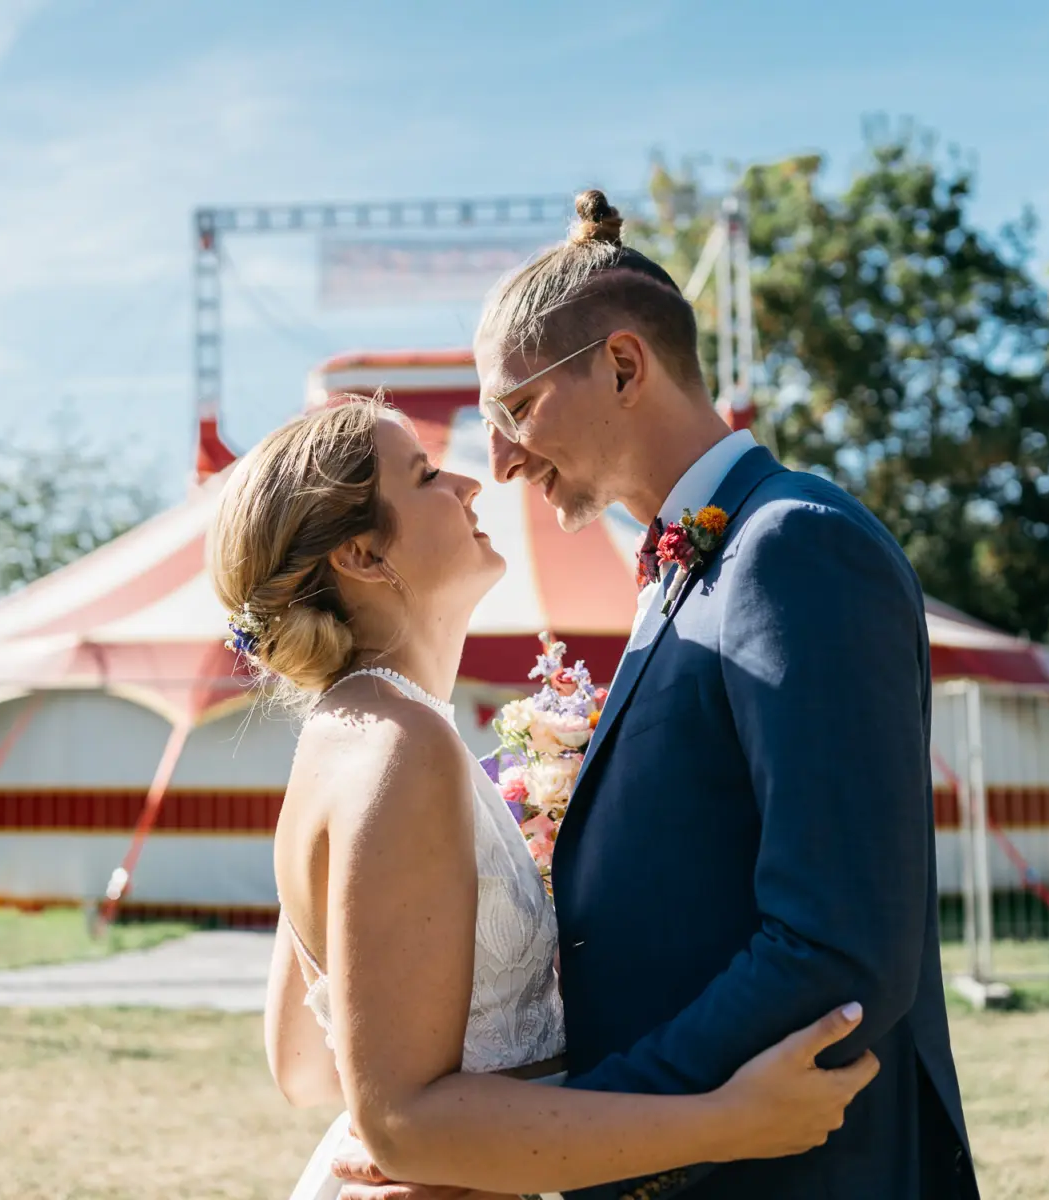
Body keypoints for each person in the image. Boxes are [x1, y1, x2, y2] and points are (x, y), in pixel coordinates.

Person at [333, 191, 978, 1199]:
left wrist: (584, 1138)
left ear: (623, 366)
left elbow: (836, 945)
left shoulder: (793, 547)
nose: (498, 458)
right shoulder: (685, 570)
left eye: (514, 409)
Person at [209, 395, 878, 1200]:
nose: (468, 483)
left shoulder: (341, 733)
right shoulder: (402, 747)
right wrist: (733, 1120)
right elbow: (404, 1124)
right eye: (424, 476)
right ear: (361, 554)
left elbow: (307, 1065)